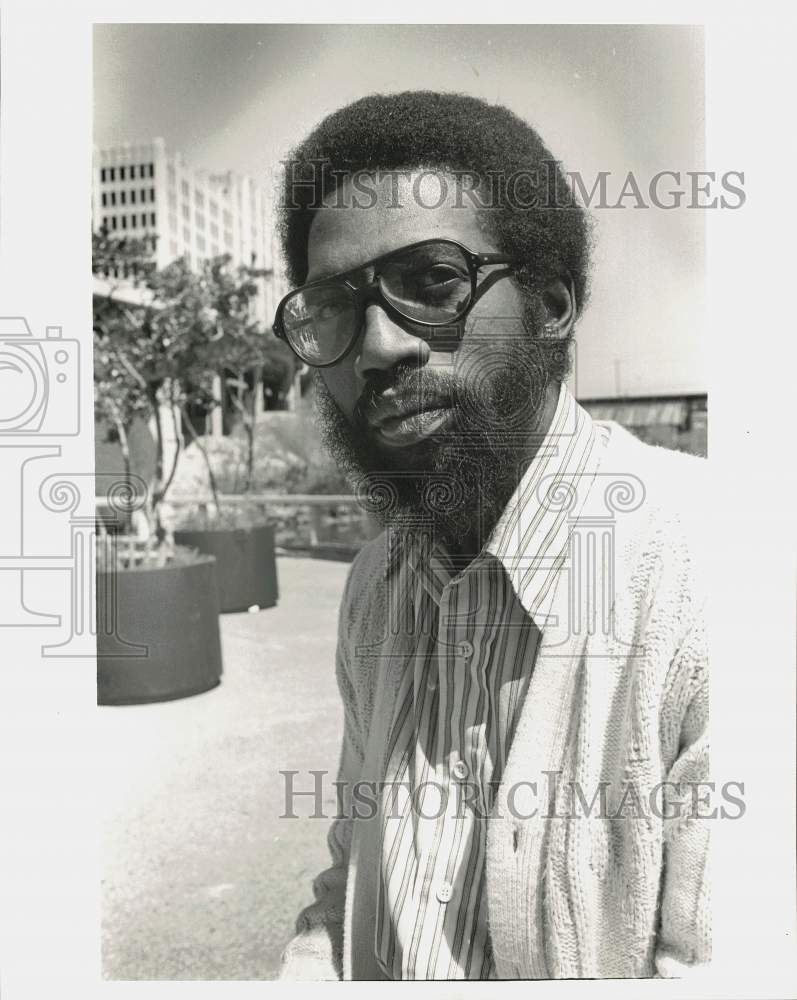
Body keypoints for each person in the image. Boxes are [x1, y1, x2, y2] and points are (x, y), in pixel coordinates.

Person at [275, 91, 709, 980]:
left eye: (432, 283)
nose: (379, 346)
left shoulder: (720, 573)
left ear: (552, 305)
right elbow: (352, 887)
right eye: (333, 307)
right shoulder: (377, 587)